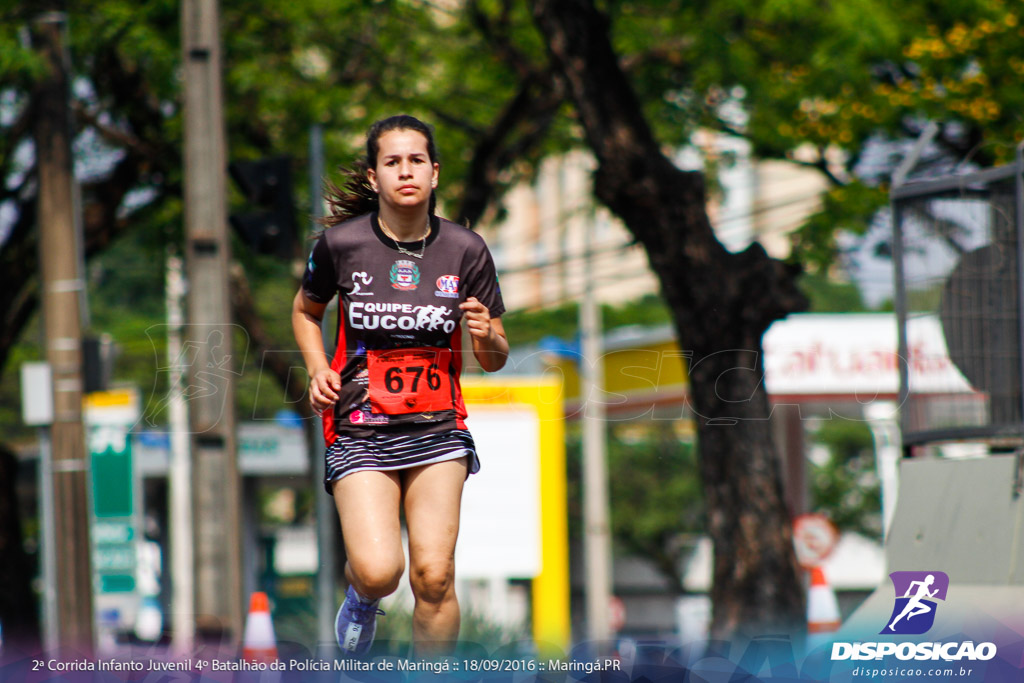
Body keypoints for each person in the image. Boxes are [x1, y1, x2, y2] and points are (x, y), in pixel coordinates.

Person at [291, 114, 508, 657]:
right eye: (392, 162)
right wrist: (319, 367)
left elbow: (495, 355)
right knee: (380, 569)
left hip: (438, 427)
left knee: (434, 576)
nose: (405, 172)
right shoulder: (340, 246)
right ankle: (363, 598)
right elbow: (304, 311)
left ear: (434, 174)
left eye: (416, 161)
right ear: (374, 177)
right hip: (361, 425)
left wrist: (487, 335)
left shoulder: (466, 250)